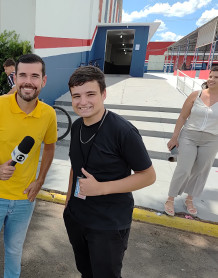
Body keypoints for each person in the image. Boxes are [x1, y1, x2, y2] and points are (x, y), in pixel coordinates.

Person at [0, 54, 57, 277]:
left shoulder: (48, 114)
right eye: (23, 75)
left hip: (24, 199)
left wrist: (40, 181)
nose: (29, 81)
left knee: (14, 252)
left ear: (43, 81)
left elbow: (49, 147)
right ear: (14, 78)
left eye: (35, 76)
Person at [64, 66, 156, 278]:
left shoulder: (123, 131)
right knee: (85, 272)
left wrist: (101, 188)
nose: (83, 101)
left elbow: (148, 176)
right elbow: (75, 166)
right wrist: (68, 204)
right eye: (76, 96)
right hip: (77, 218)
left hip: (108, 224)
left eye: (90, 94)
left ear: (103, 94)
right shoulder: (77, 126)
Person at [164, 66, 218, 216]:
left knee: (201, 170)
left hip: (211, 140)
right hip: (189, 136)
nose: (212, 79)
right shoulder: (196, 95)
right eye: (211, 76)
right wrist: (175, 137)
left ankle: (189, 199)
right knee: (184, 169)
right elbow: (182, 117)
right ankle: (170, 198)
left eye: (216, 77)